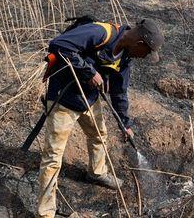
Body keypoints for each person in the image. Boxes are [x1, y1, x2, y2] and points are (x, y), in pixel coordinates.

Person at [37, 18, 164, 218]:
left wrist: (125, 123)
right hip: (64, 98)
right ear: (139, 43)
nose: (144, 57)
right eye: (146, 53)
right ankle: (45, 213)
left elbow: (119, 93)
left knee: (99, 135)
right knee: (53, 158)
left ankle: (96, 173)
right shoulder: (101, 33)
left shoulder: (126, 58)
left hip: (88, 99)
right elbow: (59, 44)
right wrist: (88, 71)